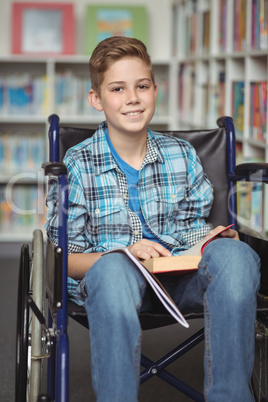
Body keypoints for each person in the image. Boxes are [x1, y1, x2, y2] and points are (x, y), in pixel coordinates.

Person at [46, 36, 260, 401]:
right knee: (114, 270)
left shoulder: (182, 155)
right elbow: (63, 259)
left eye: (142, 86)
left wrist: (215, 240)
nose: (132, 97)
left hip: (182, 280)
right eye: (118, 88)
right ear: (96, 99)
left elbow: (195, 228)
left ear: (155, 90)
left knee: (236, 256)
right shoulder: (78, 165)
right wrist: (126, 254)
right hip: (112, 283)